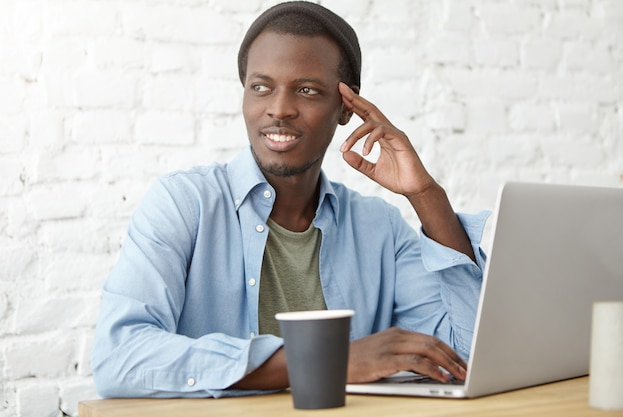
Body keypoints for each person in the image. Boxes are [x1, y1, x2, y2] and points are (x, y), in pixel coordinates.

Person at [92, 1, 488, 398]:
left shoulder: (380, 229)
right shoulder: (183, 204)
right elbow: (120, 358)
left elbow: (466, 358)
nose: (279, 109)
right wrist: (327, 360)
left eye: (307, 90)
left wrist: (426, 196)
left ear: (345, 108)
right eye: (260, 87)